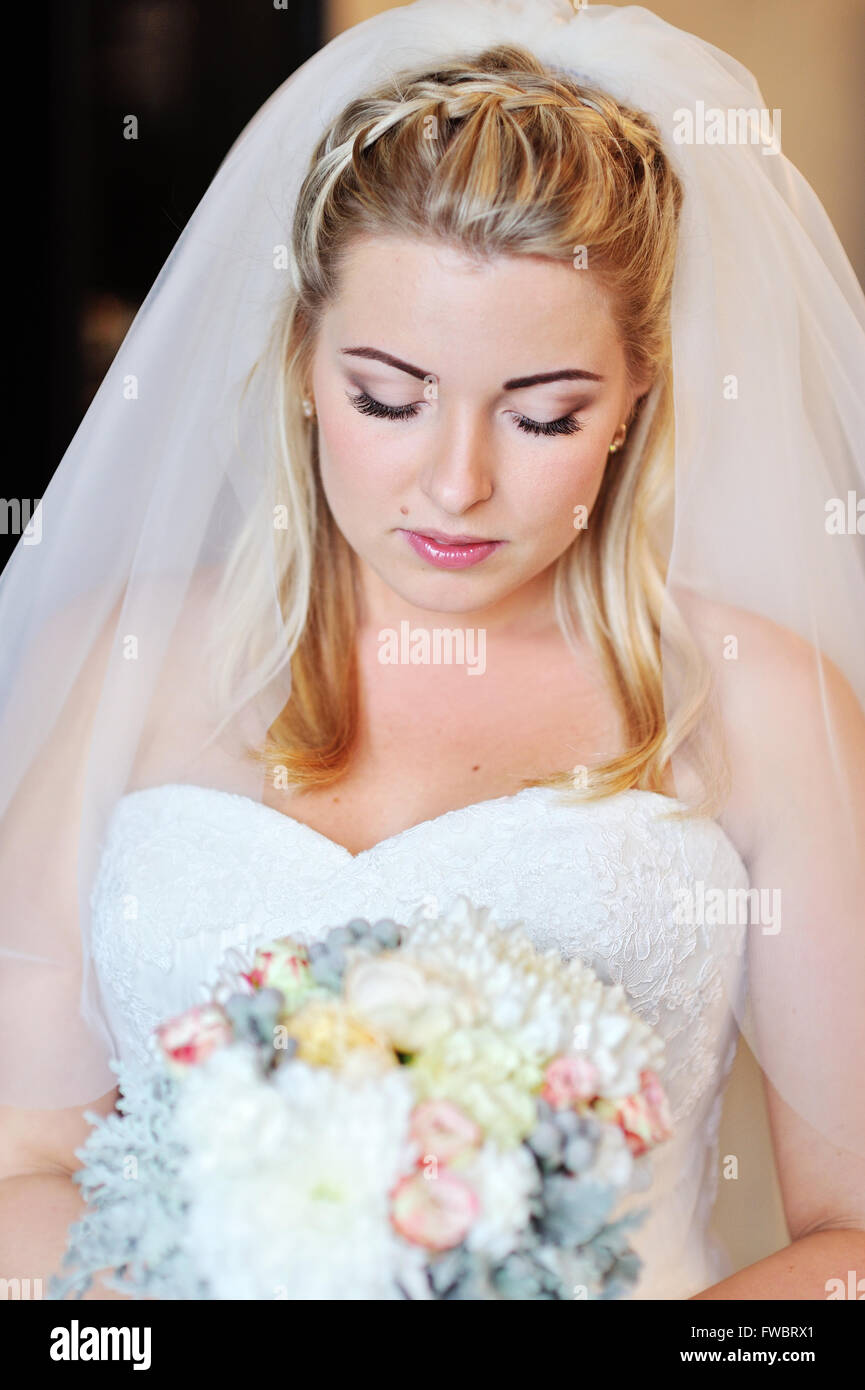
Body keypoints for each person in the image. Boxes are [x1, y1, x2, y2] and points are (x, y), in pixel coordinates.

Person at [1, 0, 863, 1301]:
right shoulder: (121, 660)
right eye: (387, 398)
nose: (453, 484)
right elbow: (19, 1162)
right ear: (300, 359)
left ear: (636, 394)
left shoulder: (763, 704)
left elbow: (852, 1240)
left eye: (543, 413)